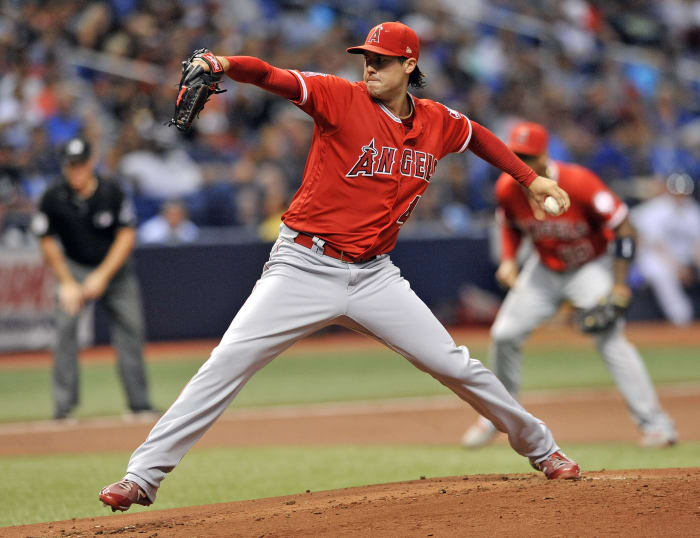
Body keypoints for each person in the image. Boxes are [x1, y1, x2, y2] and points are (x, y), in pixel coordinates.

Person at [99, 22, 580, 512]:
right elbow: (271, 76)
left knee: (456, 365)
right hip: (303, 264)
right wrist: (223, 64)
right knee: (226, 363)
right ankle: (142, 476)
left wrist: (528, 179)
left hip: (375, 276)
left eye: (383, 60)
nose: (370, 66)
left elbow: (477, 136)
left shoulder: (437, 121)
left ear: (409, 65)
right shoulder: (338, 97)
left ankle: (543, 449)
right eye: (366, 57)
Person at [461, 122, 677, 450]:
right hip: (544, 269)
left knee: (610, 338)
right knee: (504, 335)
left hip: (589, 267)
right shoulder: (507, 186)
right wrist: (508, 259)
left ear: (545, 156)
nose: (519, 160)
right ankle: (497, 418)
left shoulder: (579, 183)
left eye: (527, 156)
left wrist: (620, 285)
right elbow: (509, 223)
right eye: (514, 154)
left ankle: (656, 425)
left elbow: (625, 228)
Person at [31, 137, 156, 421]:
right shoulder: (53, 195)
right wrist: (66, 282)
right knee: (64, 331)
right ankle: (63, 410)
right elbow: (47, 241)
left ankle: (139, 405)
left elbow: (126, 236)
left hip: (115, 271)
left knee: (131, 332)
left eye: (81, 164)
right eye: (71, 165)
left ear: (91, 163)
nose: (76, 171)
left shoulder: (111, 191)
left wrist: (101, 276)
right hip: (74, 268)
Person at [630, 173, 700, 326]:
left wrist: (694, 266)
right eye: (677, 191)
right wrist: (678, 268)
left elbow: (697, 245)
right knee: (660, 272)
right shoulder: (656, 209)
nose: (680, 195)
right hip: (656, 258)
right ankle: (681, 319)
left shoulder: (693, 210)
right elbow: (656, 246)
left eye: (683, 192)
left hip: (684, 259)